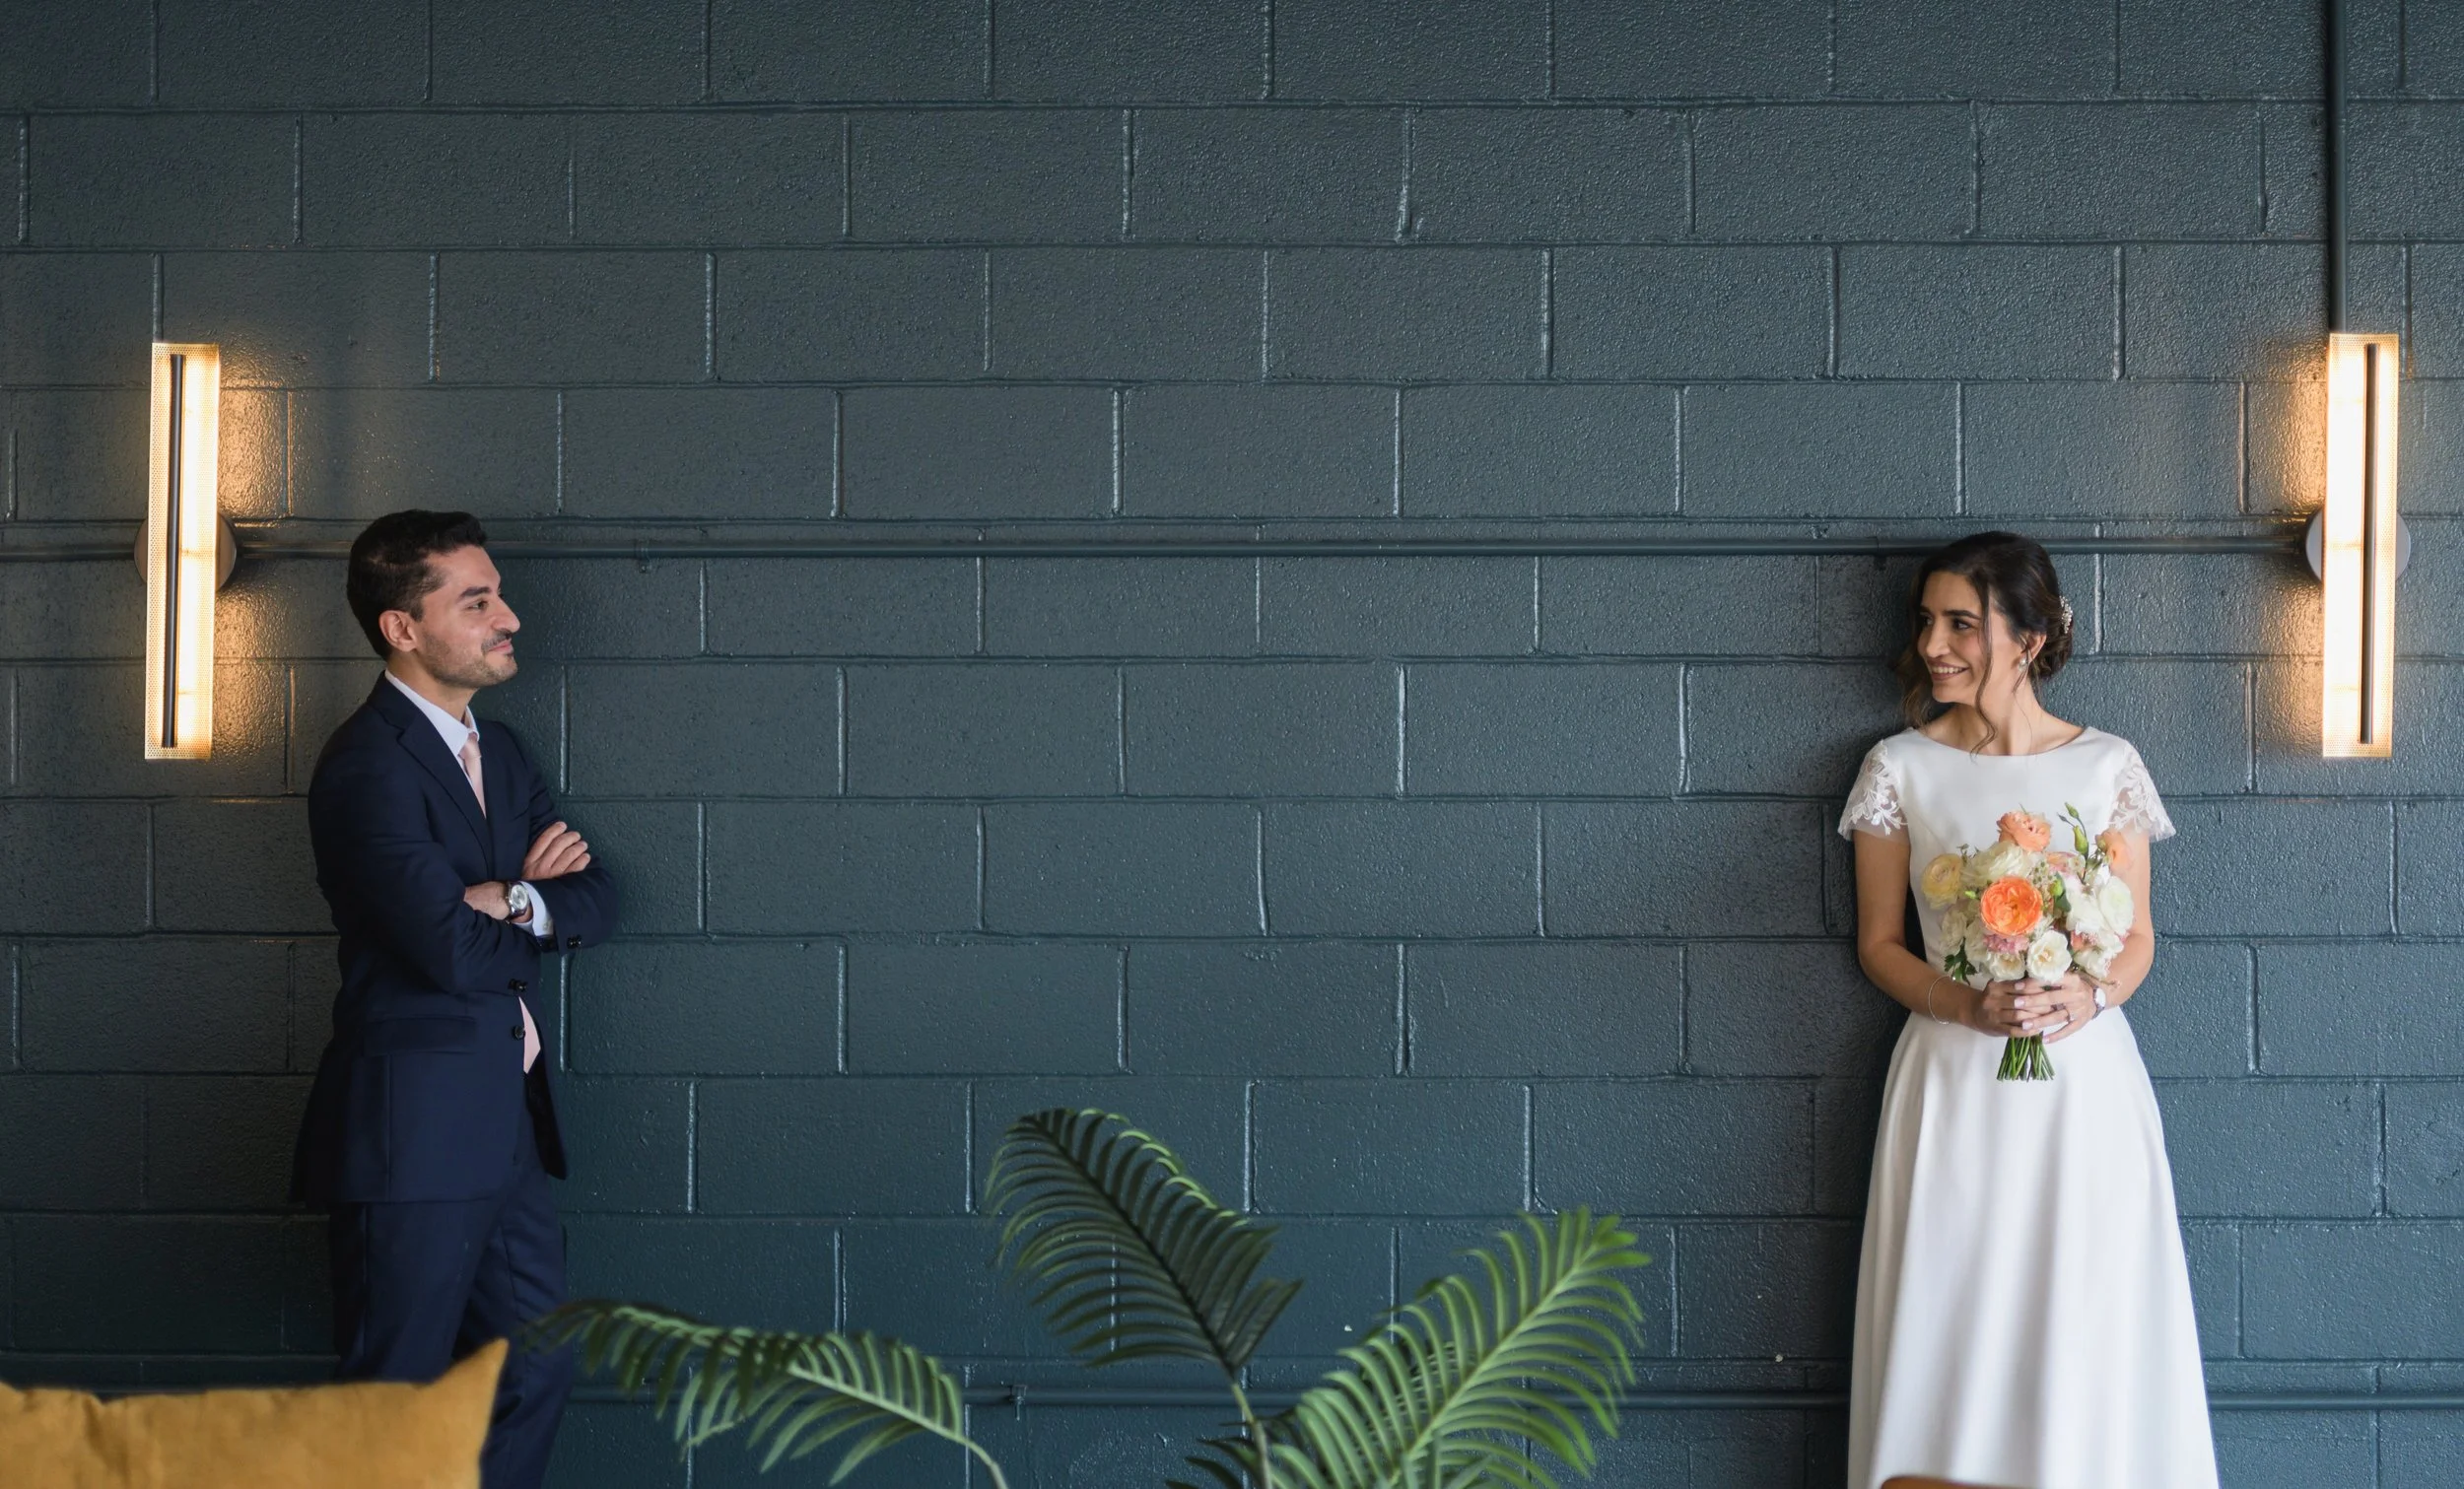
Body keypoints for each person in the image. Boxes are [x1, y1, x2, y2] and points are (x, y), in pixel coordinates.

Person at [1837, 532, 2217, 1489]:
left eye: (1960, 622)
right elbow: (1880, 943)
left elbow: (2136, 938)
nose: (1932, 644)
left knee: (2084, 1305)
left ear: (2031, 635)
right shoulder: (1899, 766)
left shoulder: (2105, 766)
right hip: (1954, 1077)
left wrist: (2089, 992)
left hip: (2081, 1082)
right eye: (1926, 621)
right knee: (1952, 1307)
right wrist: (1967, 1002)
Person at [290, 510, 618, 1489]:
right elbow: (444, 947)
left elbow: (597, 898)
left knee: (537, 1363)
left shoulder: (502, 751)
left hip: (504, 1126)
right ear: (403, 627)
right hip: (412, 1135)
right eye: (477, 601)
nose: (508, 616)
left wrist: (511, 894)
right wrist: (520, 909)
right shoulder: (366, 767)